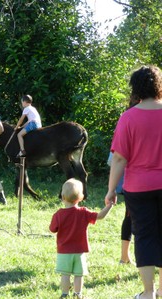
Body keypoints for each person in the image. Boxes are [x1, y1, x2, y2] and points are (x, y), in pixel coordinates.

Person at [105, 65, 162, 299]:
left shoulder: (128, 117)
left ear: (135, 87)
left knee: (146, 237)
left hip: (138, 187)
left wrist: (110, 190)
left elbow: (119, 158)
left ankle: (148, 293)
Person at [50, 178, 113, 299]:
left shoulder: (58, 214)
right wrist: (109, 206)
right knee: (79, 275)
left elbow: (53, 229)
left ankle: (64, 294)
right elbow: (100, 216)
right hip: (79, 251)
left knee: (65, 274)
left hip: (63, 251)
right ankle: (78, 294)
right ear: (81, 197)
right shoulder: (84, 212)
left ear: (62, 197)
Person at [108, 152, 133, 265]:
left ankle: (124, 257)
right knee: (129, 217)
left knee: (129, 217)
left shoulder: (123, 133)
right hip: (134, 183)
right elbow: (114, 159)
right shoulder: (122, 133)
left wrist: (111, 189)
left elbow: (113, 160)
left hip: (135, 182)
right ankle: (124, 257)